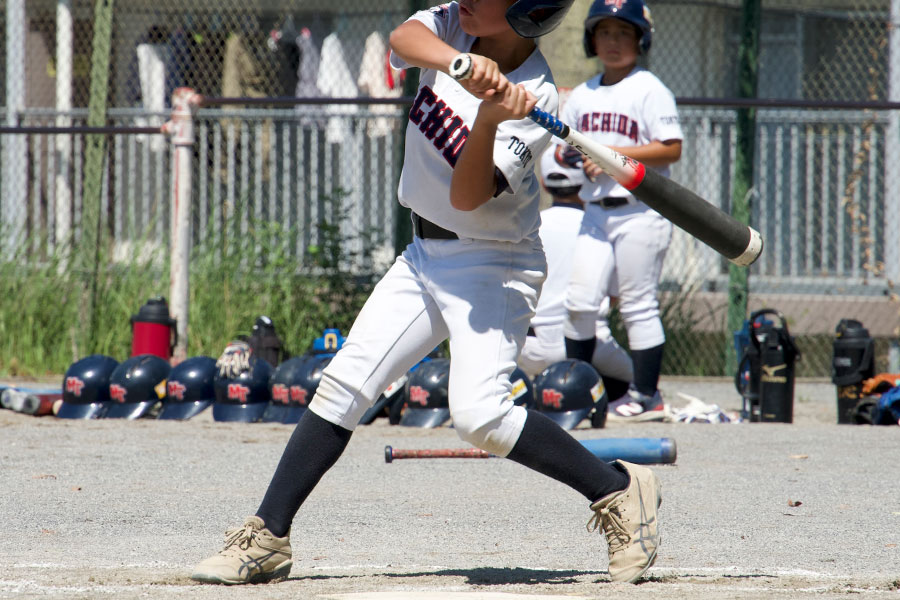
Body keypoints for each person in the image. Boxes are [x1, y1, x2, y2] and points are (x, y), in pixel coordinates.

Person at [190, 0, 661, 587]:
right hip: (423, 255)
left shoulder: (537, 95)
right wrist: (462, 66)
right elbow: (403, 37)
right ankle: (268, 535)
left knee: (480, 416)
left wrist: (489, 118)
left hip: (493, 264)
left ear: (523, 11)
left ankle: (617, 488)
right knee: (345, 381)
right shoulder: (453, 22)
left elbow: (468, 198)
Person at [560, 0, 683, 422]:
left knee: (637, 305)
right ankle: (578, 387)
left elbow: (671, 147)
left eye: (623, 33)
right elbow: (567, 150)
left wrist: (611, 154)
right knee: (578, 302)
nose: (613, 42)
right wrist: (578, 155)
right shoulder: (582, 94)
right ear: (591, 38)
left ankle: (646, 396)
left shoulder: (649, 88)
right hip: (595, 210)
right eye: (604, 32)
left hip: (640, 212)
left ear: (640, 39)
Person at [519, 145, 634, 409]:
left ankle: (543, 393)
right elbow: (615, 298)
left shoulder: (528, 224)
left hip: (525, 347)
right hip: (584, 344)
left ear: (543, 184)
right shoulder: (601, 229)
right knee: (636, 385)